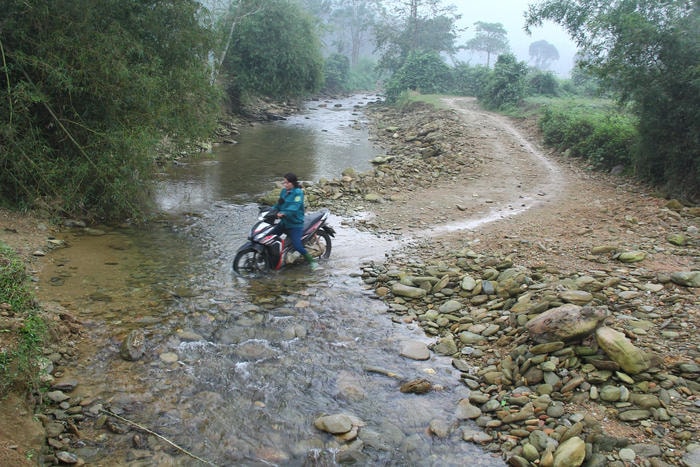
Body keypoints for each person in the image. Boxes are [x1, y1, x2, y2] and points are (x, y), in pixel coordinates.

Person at [271, 173, 319, 271]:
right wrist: (270, 211)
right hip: (284, 223)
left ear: (292, 183)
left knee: (297, 246)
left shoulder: (298, 193)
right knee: (270, 237)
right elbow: (279, 204)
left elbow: (295, 207)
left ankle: (313, 262)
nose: (285, 184)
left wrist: (283, 213)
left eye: (287, 183)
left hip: (295, 224)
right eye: (284, 182)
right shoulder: (284, 192)